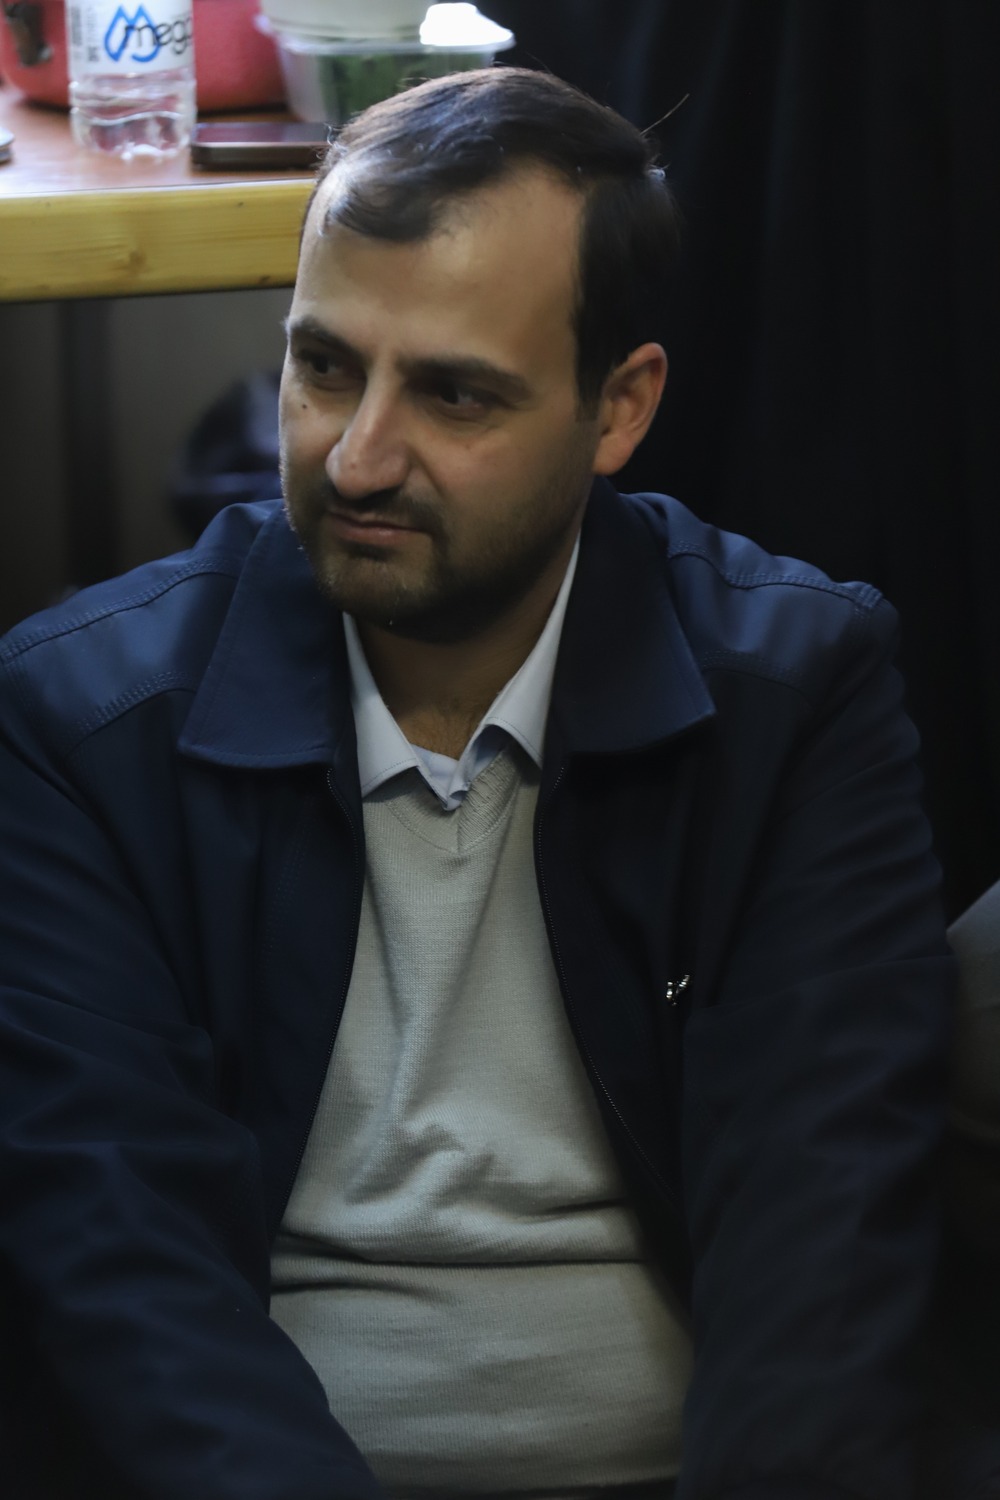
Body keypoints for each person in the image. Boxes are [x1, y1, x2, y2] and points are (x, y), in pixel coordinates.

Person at [0, 67, 954, 1500]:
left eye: (454, 394)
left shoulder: (794, 694)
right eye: (325, 367)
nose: (358, 457)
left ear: (619, 408)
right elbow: (125, 1276)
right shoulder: (81, 722)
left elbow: (825, 1241)